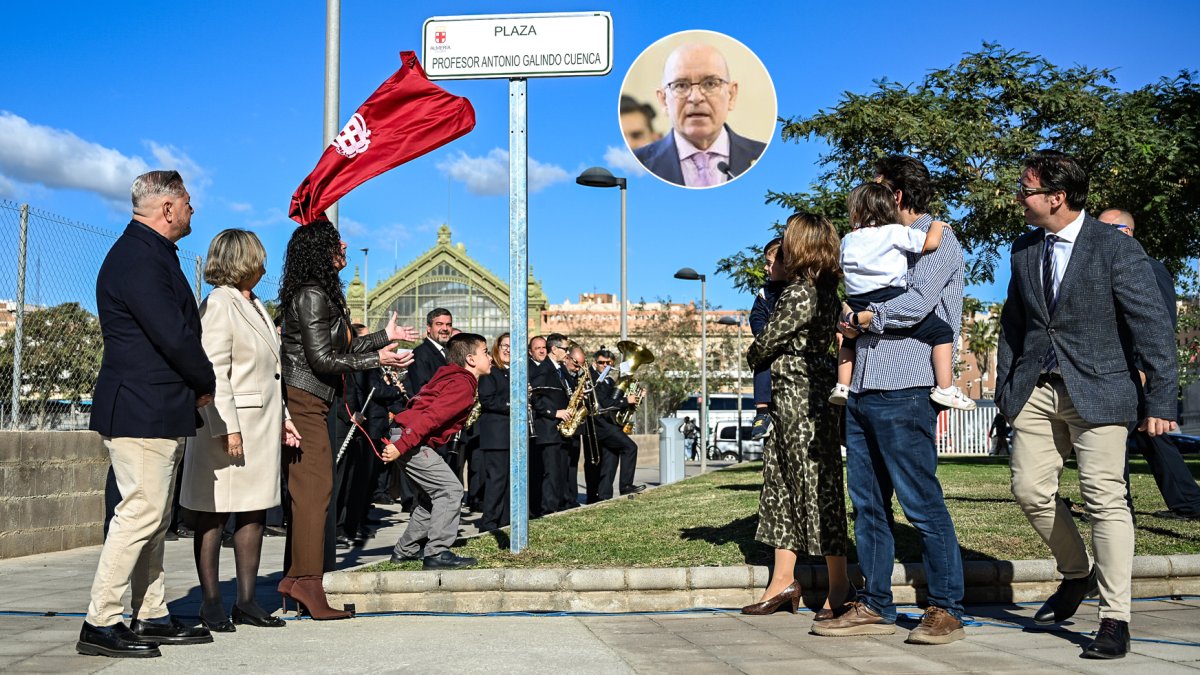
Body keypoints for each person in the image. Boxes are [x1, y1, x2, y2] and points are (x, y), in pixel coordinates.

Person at [996, 151, 1178, 659]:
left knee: (1105, 498)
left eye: (1026, 189)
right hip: (1036, 389)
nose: (1019, 197)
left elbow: (1153, 327)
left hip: (1101, 390)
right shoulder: (1023, 250)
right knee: (1030, 490)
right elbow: (1015, 325)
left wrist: (1160, 397)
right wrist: (1006, 391)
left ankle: (1115, 618)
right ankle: (1077, 574)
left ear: (1056, 197)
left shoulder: (1114, 248)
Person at [815, 155, 967, 645]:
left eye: (876, 186)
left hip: (908, 387)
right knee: (869, 505)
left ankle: (945, 608)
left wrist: (860, 319)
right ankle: (875, 602)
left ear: (896, 194)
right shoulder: (868, 242)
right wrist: (846, 314)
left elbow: (916, 305)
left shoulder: (936, 243)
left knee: (921, 503)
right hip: (861, 388)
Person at [79, 170, 216, 658]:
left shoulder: (151, 253)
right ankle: (101, 620)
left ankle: (151, 612)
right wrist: (205, 382)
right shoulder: (139, 257)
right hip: (141, 405)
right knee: (139, 512)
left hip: (155, 404)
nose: (193, 208)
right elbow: (173, 335)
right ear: (167, 208)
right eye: (187, 200)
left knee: (153, 516)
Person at [278, 220, 415, 620]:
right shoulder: (312, 295)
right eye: (337, 243)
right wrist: (379, 358)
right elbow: (322, 359)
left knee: (317, 490)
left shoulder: (319, 294)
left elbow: (343, 344)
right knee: (315, 491)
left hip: (315, 400)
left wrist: (382, 337)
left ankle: (297, 578)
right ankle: (306, 581)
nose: (345, 245)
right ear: (321, 251)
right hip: (305, 399)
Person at [180, 229, 300, 632]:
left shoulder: (254, 304)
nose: (265, 266)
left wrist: (284, 418)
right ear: (243, 261)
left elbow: (271, 372)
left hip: (261, 425)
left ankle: (246, 601)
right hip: (229, 426)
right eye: (259, 258)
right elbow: (213, 370)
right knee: (214, 513)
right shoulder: (219, 303)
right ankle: (211, 601)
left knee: (254, 510)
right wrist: (226, 428)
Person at [740, 213, 851, 621]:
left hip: (803, 399)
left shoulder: (802, 292)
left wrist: (754, 354)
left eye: (788, 241)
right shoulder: (819, 288)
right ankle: (783, 580)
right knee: (782, 485)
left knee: (814, 488)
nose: (781, 248)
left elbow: (768, 339)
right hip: (794, 398)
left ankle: (839, 584)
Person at [831, 182, 973, 411]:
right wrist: (937, 225)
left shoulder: (848, 239)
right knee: (942, 331)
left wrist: (852, 313)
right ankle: (946, 388)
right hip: (888, 297)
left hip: (856, 299)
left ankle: (842, 386)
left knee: (848, 339)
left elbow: (841, 268)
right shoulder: (895, 232)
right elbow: (930, 243)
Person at [1099, 208, 1199, 521]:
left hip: (1135, 370)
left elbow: (1160, 323)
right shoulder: (1109, 267)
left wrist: (1144, 368)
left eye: (1103, 229)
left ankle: (1116, 505)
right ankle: (1188, 502)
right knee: (1148, 436)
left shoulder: (1149, 268)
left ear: (1125, 232)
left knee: (1112, 432)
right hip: (1120, 368)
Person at [383, 333, 492, 569]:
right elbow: (430, 417)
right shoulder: (462, 385)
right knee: (451, 490)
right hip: (409, 439)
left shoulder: (453, 378)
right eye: (486, 352)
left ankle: (405, 551)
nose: (490, 357)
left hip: (404, 435)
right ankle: (437, 552)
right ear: (471, 359)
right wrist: (400, 446)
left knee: (429, 499)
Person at [634, 43, 766, 188]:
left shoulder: (765, 158)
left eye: (710, 84)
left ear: (731, 95)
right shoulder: (637, 163)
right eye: (681, 85)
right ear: (664, 100)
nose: (696, 98)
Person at [531, 334, 574, 515]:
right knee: (549, 472)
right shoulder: (543, 370)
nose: (567, 353)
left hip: (557, 430)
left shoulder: (559, 370)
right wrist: (554, 412)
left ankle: (555, 505)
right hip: (547, 429)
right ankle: (547, 509)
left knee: (557, 471)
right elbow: (535, 396)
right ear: (554, 349)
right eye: (565, 349)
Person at [748, 237, 785, 440]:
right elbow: (756, 315)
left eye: (770, 264)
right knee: (761, 359)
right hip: (768, 344)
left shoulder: (797, 291)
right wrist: (763, 334)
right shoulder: (765, 293)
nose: (765, 268)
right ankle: (762, 413)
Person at [477, 333, 513, 531]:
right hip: (496, 437)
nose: (508, 349)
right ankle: (488, 523)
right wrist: (513, 403)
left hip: (511, 436)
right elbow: (487, 400)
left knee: (509, 481)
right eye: (504, 346)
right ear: (497, 348)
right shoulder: (491, 372)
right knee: (497, 481)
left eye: (512, 346)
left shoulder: (514, 372)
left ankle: (505, 521)